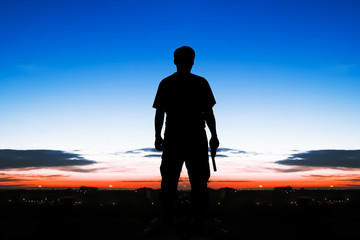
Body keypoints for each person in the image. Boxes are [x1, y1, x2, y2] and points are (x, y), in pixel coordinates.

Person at [153, 46, 219, 227]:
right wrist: (214, 135)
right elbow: (209, 113)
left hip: (180, 138)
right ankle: (194, 222)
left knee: (175, 181)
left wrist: (158, 136)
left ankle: (174, 221)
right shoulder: (199, 82)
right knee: (190, 182)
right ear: (192, 61)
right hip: (191, 138)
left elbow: (160, 113)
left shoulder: (167, 83)